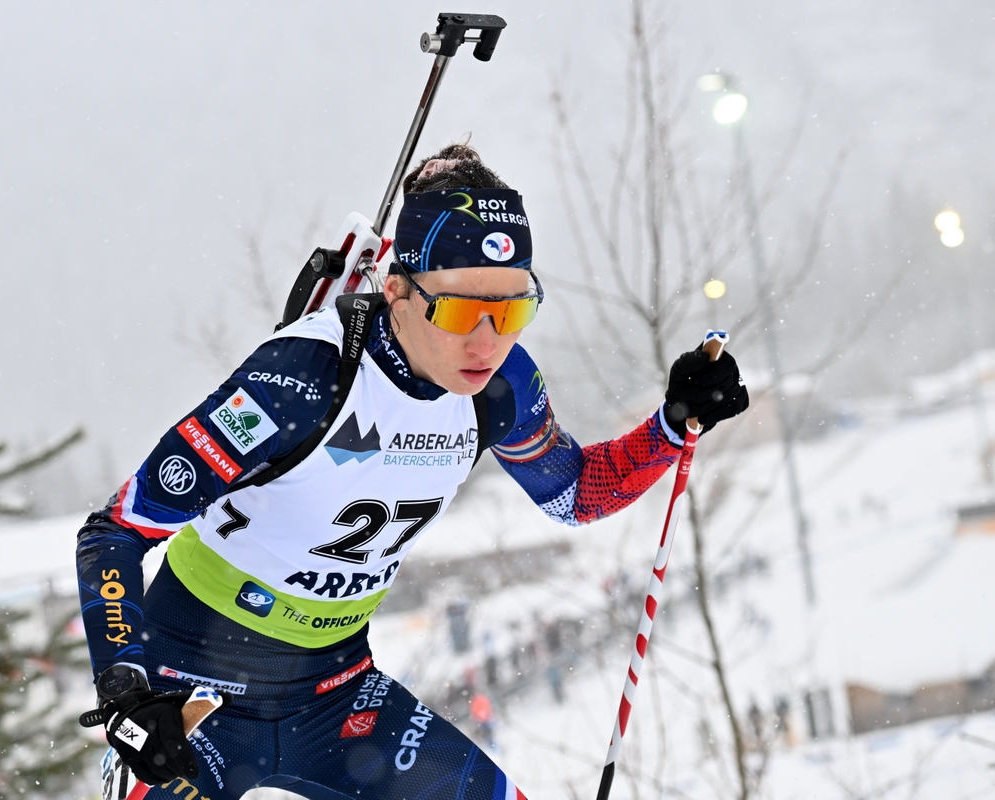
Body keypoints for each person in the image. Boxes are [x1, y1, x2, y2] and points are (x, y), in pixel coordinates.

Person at [76, 142, 748, 800]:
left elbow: (574, 493)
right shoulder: (303, 379)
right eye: (460, 311)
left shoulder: (500, 389)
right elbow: (116, 530)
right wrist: (127, 695)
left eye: (512, 309)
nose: (488, 340)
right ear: (396, 290)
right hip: (194, 692)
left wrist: (671, 425)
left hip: (336, 696)